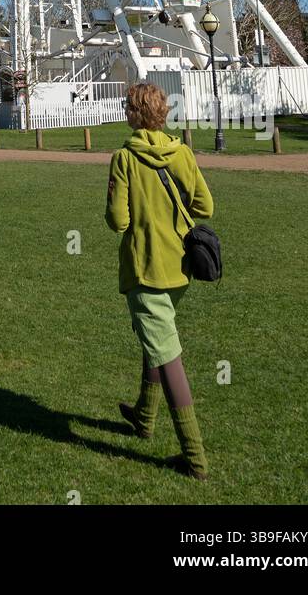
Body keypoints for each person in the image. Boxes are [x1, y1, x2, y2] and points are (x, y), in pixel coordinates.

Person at [105, 81, 214, 480]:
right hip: (179, 268)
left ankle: (194, 458)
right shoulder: (182, 153)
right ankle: (144, 417)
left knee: (168, 355)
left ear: (134, 114)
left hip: (144, 268)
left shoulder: (123, 158)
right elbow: (205, 205)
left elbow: (118, 222)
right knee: (159, 338)